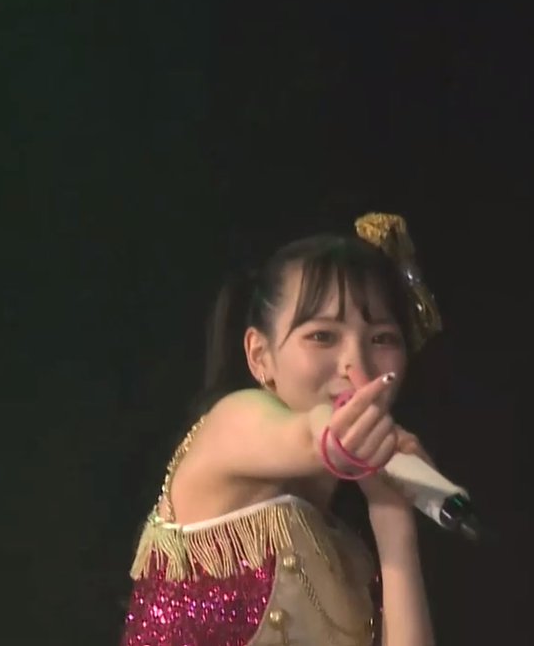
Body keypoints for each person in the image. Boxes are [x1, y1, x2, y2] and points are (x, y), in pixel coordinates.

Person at [120, 212, 442, 646]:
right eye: (322, 336)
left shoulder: (349, 555)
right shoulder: (233, 422)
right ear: (259, 356)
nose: (357, 365)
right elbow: (310, 434)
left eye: (382, 338)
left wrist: (394, 522)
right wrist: (339, 438)